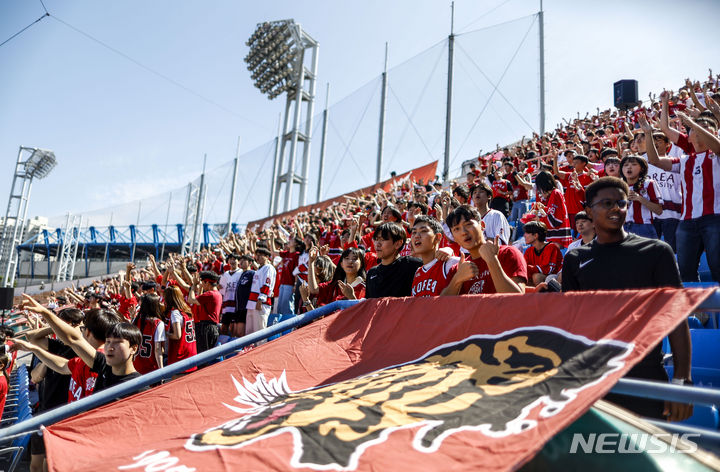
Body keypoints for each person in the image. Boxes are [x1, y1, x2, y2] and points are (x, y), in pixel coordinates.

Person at [561, 177, 692, 421]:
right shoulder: (574, 258)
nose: (616, 209)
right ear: (589, 211)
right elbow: (572, 325)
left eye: (621, 203)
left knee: (650, 455)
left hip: (646, 376)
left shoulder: (656, 251)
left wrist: (682, 382)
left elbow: (676, 317)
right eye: (607, 203)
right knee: (598, 455)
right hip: (593, 379)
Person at [641, 106, 720, 282]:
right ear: (690, 137)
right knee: (684, 270)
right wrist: (648, 134)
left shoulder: (716, 155)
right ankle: (695, 309)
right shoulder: (683, 160)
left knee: (717, 267)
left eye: (707, 128)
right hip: (687, 221)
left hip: (715, 218)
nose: (700, 130)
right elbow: (654, 160)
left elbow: (716, 145)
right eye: (694, 130)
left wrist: (692, 123)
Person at [21, 295, 146, 395]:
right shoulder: (100, 363)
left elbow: (73, 339)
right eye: (108, 342)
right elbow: (62, 364)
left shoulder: (140, 388)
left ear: (133, 348)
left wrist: (46, 314)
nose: (110, 347)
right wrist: (34, 349)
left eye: (117, 343)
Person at [441, 205, 527, 295]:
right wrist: (457, 279)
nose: (464, 232)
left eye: (468, 224)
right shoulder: (457, 269)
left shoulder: (508, 253)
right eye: (456, 229)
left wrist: (492, 261)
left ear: (482, 225)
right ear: (454, 238)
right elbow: (444, 305)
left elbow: (517, 298)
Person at [366, 222, 422, 298]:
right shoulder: (372, 273)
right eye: (376, 239)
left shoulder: (413, 265)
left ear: (398, 244)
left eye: (382, 239)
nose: (377, 244)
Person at [410, 215, 460, 297]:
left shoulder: (451, 263)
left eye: (423, 231)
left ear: (437, 237)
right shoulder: (418, 272)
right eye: (414, 232)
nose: (416, 236)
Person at [620, 155, 663, 238]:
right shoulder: (618, 185)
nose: (629, 167)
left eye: (634, 164)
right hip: (622, 228)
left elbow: (659, 211)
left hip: (643, 228)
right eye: (625, 165)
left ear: (642, 168)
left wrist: (639, 198)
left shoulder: (649, 184)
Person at [533, 171, 572, 248]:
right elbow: (556, 213)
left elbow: (555, 221)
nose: (539, 191)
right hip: (557, 239)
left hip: (558, 239)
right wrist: (544, 208)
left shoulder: (555, 194)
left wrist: (538, 219)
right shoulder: (554, 194)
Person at [163, 286, 197, 374]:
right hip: (191, 350)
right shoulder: (186, 310)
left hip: (180, 353)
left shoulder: (175, 313)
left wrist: (165, 333)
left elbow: (177, 335)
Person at [188, 271, 222, 353]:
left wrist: (193, 286)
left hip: (206, 328)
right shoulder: (217, 294)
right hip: (211, 327)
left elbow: (191, 300)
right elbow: (199, 300)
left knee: (202, 358)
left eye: (203, 283)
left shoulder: (210, 294)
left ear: (207, 283)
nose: (201, 285)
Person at [245, 247, 276, 336]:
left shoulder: (268, 267)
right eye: (256, 255)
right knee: (250, 332)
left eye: (260, 255)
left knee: (259, 333)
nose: (257, 257)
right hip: (252, 303)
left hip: (261, 303)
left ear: (266, 256)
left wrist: (261, 300)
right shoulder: (259, 269)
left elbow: (267, 284)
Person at [522, 221, 563, 286]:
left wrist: (528, 268)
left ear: (535, 235)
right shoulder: (529, 250)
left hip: (556, 278)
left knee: (537, 277)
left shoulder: (552, 247)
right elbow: (524, 268)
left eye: (527, 233)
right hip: (542, 276)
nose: (524, 235)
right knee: (522, 278)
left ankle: (541, 296)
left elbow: (548, 270)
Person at [133, 294, 165, 374]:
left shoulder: (136, 320)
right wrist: (162, 371)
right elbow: (157, 350)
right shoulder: (157, 323)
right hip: (151, 368)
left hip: (136, 366)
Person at [218, 253, 243, 336]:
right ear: (228, 261)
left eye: (234, 259)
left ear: (238, 261)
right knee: (224, 328)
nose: (232, 261)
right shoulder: (225, 274)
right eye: (230, 259)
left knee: (234, 329)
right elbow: (222, 291)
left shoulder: (241, 272)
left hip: (236, 305)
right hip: (226, 305)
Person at [232, 255, 255, 337]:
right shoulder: (242, 274)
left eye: (244, 260)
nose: (240, 262)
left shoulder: (252, 273)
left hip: (245, 307)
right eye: (240, 260)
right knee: (234, 333)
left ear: (250, 263)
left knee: (240, 333)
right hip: (238, 307)